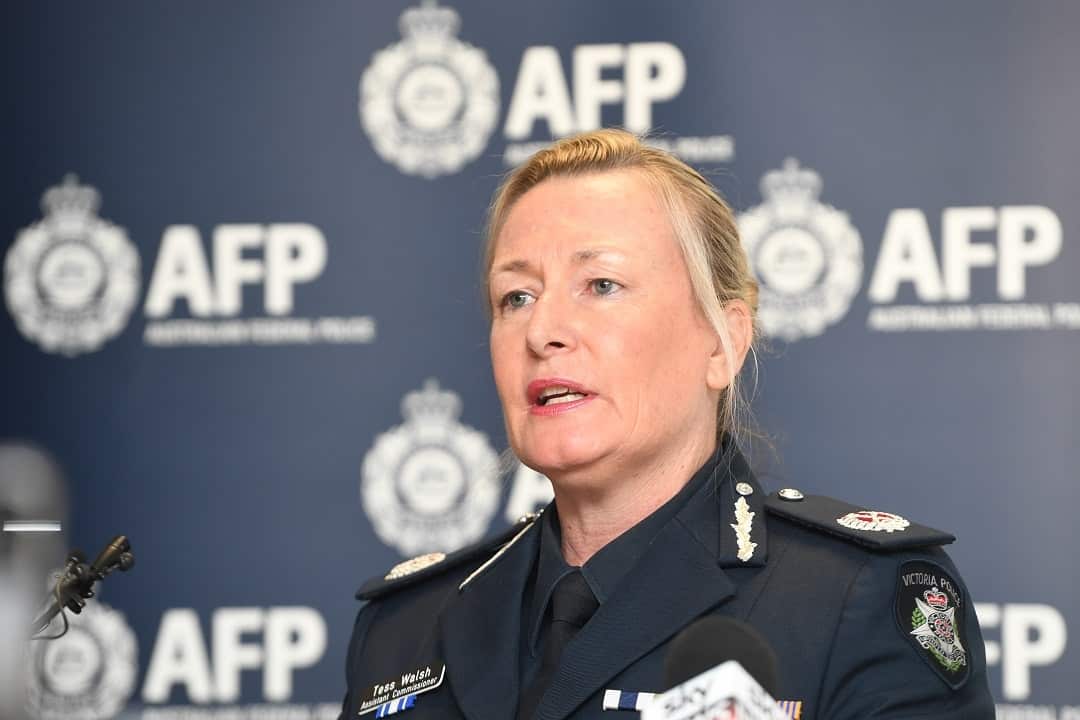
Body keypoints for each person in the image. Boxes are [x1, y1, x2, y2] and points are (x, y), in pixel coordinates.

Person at [338, 129, 994, 720]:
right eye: (517, 296)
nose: (542, 331)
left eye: (600, 284)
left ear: (722, 342)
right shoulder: (406, 625)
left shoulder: (857, 598)